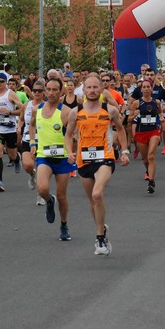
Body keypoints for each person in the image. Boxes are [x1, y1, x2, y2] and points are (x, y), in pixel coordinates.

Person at [65, 75, 129, 255]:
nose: (92, 90)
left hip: (105, 157)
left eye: (95, 87)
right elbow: (68, 135)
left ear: (101, 89)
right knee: (93, 202)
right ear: (83, 90)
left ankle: (99, 238)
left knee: (97, 194)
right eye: (89, 87)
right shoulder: (75, 112)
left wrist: (124, 151)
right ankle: (102, 228)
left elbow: (121, 129)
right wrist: (69, 151)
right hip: (83, 160)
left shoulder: (110, 111)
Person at [29, 78, 76, 241]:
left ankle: (64, 225)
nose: (50, 93)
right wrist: (33, 143)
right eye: (48, 89)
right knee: (42, 189)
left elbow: (72, 135)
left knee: (62, 196)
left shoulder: (66, 112)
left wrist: (72, 152)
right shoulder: (37, 109)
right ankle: (49, 201)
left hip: (62, 159)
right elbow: (32, 125)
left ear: (61, 91)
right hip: (44, 156)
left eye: (55, 89)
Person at [0, 73, 23, 191]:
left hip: (10, 129)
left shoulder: (11, 94)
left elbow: (22, 108)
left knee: (12, 155)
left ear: (6, 82)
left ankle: (17, 158)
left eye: (1, 81)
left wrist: (10, 112)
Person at [128, 79, 163, 193]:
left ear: (152, 89)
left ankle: (151, 181)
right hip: (141, 132)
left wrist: (161, 117)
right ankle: (148, 171)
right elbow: (128, 119)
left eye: (149, 86)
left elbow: (160, 112)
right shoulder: (136, 103)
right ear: (141, 89)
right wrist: (134, 115)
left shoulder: (156, 102)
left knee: (151, 156)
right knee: (145, 158)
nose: (147, 89)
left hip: (154, 131)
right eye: (144, 87)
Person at [18, 80, 46, 205]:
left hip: (43, 140)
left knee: (41, 169)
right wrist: (19, 127)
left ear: (44, 92)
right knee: (28, 165)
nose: (37, 93)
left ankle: (40, 196)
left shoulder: (47, 106)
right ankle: (31, 175)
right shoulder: (27, 105)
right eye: (35, 90)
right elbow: (21, 119)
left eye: (39, 91)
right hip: (27, 139)